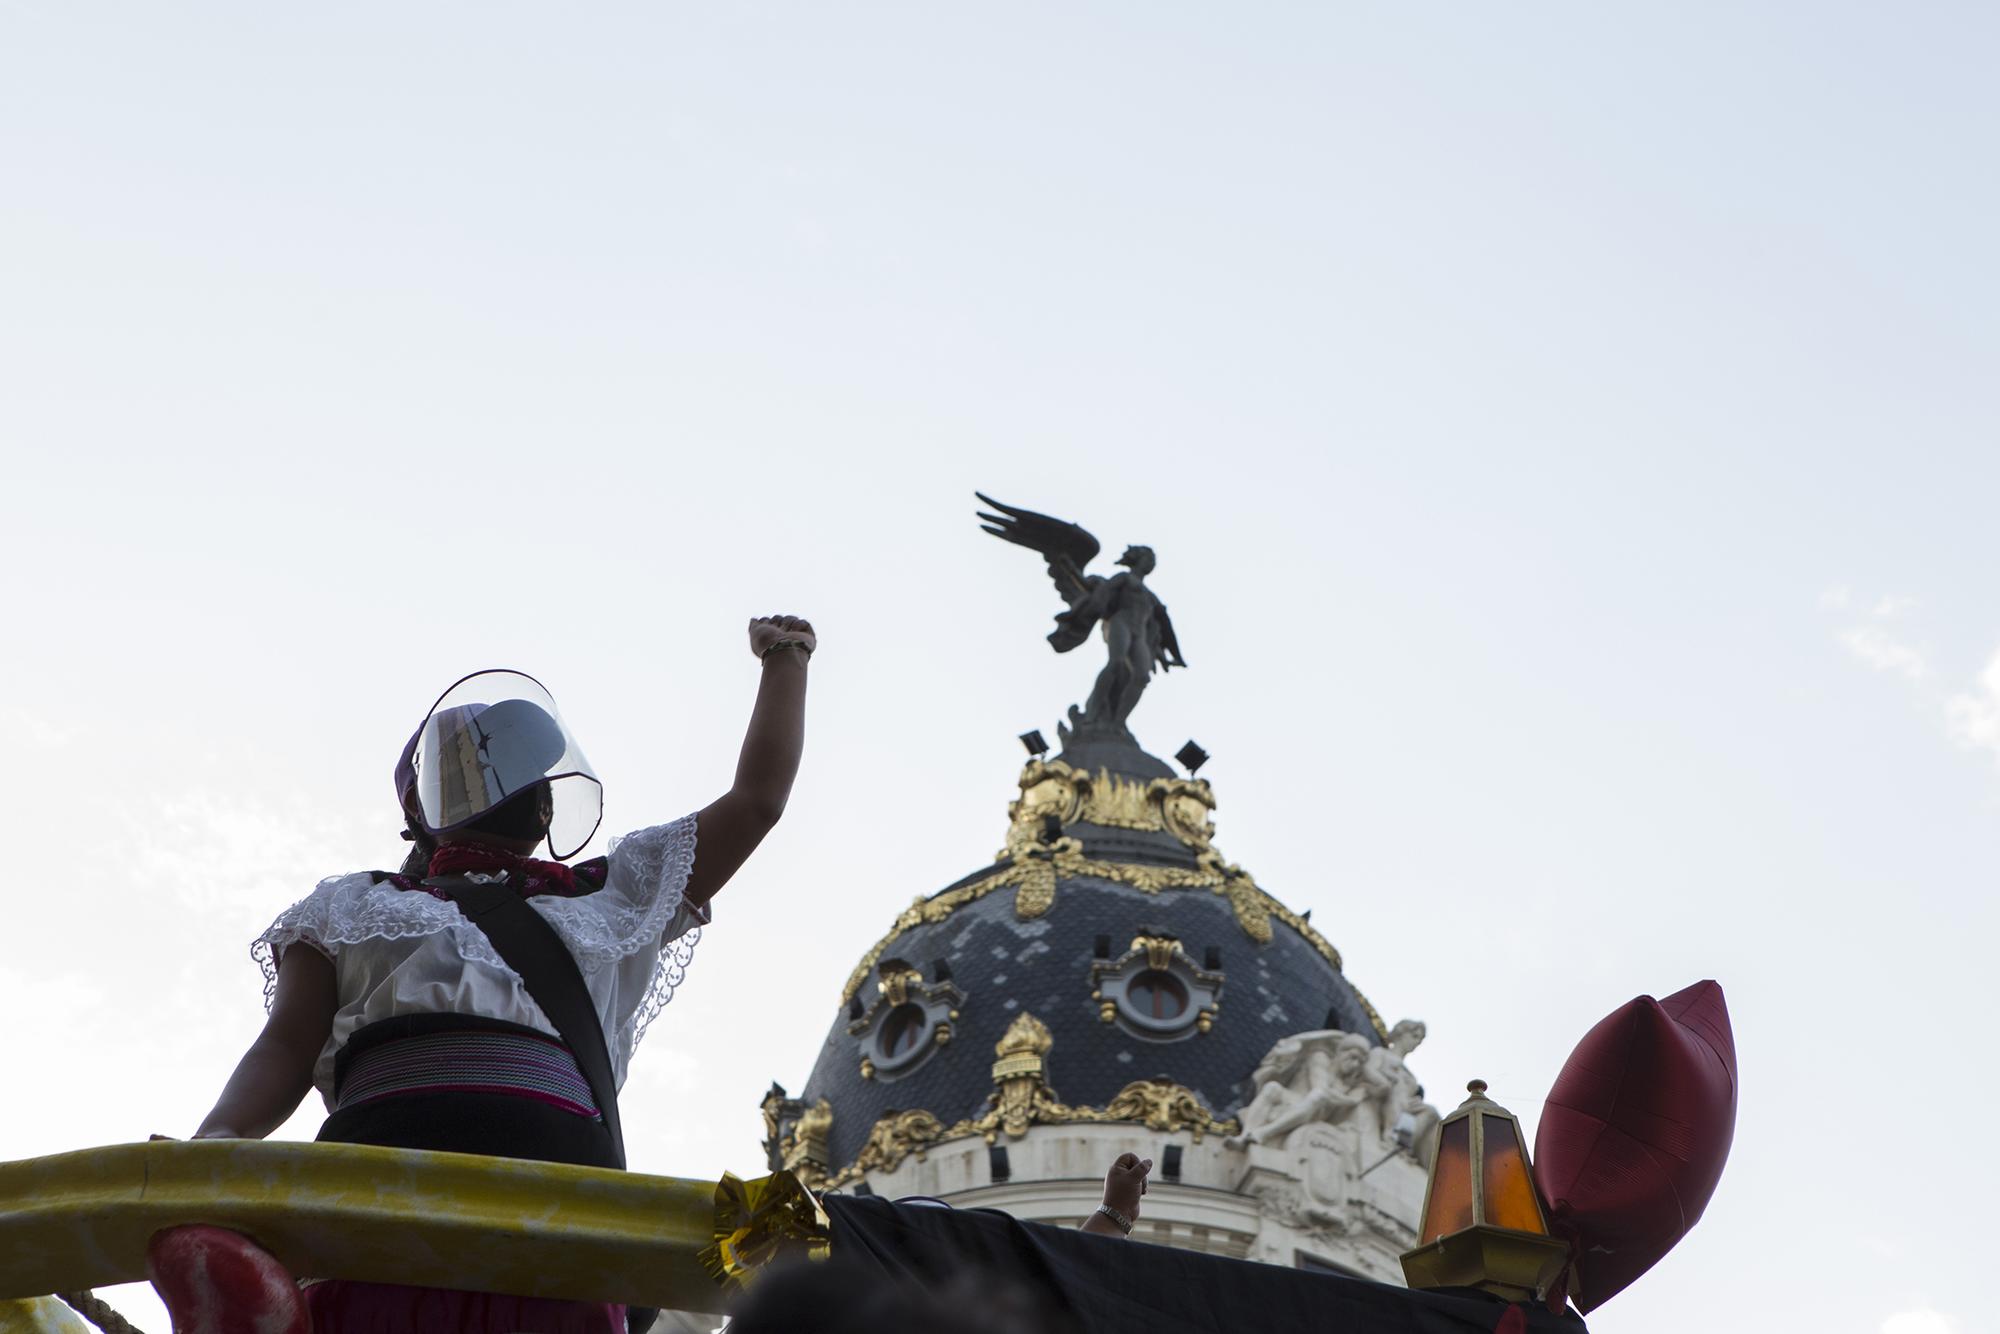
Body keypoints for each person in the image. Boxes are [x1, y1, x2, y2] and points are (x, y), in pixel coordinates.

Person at [176, 615, 816, 1334]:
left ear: (549, 802)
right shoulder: (349, 905)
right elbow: (285, 1047)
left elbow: (757, 801)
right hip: (378, 1226)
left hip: (560, 1235)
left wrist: (784, 658)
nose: (502, 781)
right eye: (469, 769)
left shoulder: (613, 898)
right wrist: (216, 1142)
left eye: (520, 765)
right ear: (422, 810)